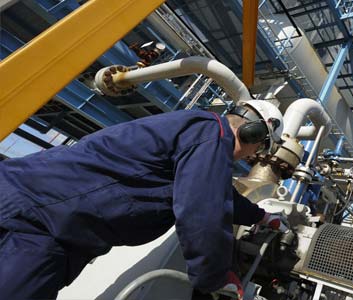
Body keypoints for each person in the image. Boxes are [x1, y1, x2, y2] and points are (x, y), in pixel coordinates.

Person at [0, 100, 288, 299]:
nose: (252, 157)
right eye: (258, 148)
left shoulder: (197, 131)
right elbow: (202, 211)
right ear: (254, 133)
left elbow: (219, 194)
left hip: (25, 203)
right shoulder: (211, 134)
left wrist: (262, 217)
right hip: (40, 227)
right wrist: (215, 276)